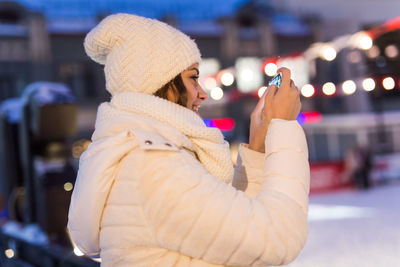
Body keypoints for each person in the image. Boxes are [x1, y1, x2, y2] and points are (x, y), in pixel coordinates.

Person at [68, 13, 310, 267]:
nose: (202, 94)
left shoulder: (141, 160)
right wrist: (284, 127)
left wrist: (258, 151)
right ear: (158, 81)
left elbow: (236, 240)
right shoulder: (153, 168)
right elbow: (276, 239)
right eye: (193, 77)